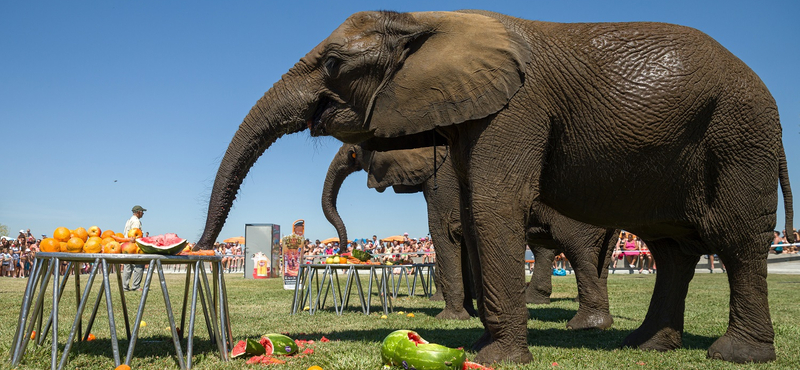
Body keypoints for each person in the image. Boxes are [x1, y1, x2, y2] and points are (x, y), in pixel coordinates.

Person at [122, 205, 146, 291]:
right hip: (133, 246)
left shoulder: (129, 220)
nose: (143, 213)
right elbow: (134, 235)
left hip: (126, 245)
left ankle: (124, 286)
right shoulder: (136, 221)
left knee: (127, 266)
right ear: (138, 212)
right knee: (139, 265)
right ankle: (136, 286)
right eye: (142, 212)